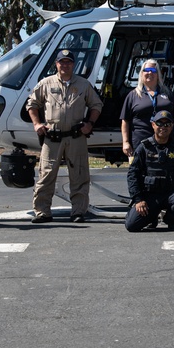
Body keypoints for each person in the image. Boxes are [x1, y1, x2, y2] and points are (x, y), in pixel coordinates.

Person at [26, 49, 104, 224]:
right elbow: (31, 104)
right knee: (46, 175)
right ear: (56, 64)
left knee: (79, 175)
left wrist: (89, 124)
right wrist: (37, 124)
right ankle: (42, 212)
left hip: (76, 137)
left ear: (73, 64)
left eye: (69, 62)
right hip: (52, 138)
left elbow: (96, 105)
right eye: (62, 62)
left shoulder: (83, 85)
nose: (65, 65)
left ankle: (78, 212)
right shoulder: (45, 83)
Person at [125, 110, 174, 232]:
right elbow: (132, 174)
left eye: (167, 124)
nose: (163, 127)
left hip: (171, 194)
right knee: (131, 225)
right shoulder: (144, 147)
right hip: (150, 196)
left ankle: (170, 218)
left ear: (172, 126)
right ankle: (152, 217)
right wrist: (138, 200)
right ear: (153, 125)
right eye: (159, 123)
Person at [120, 59, 174, 159]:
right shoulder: (133, 95)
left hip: (166, 140)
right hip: (141, 142)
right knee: (140, 172)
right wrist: (125, 142)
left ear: (158, 75)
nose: (150, 72)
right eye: (147, 70)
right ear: (141, 74)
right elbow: (125, 120)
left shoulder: (167, 93)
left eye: (153, 70)